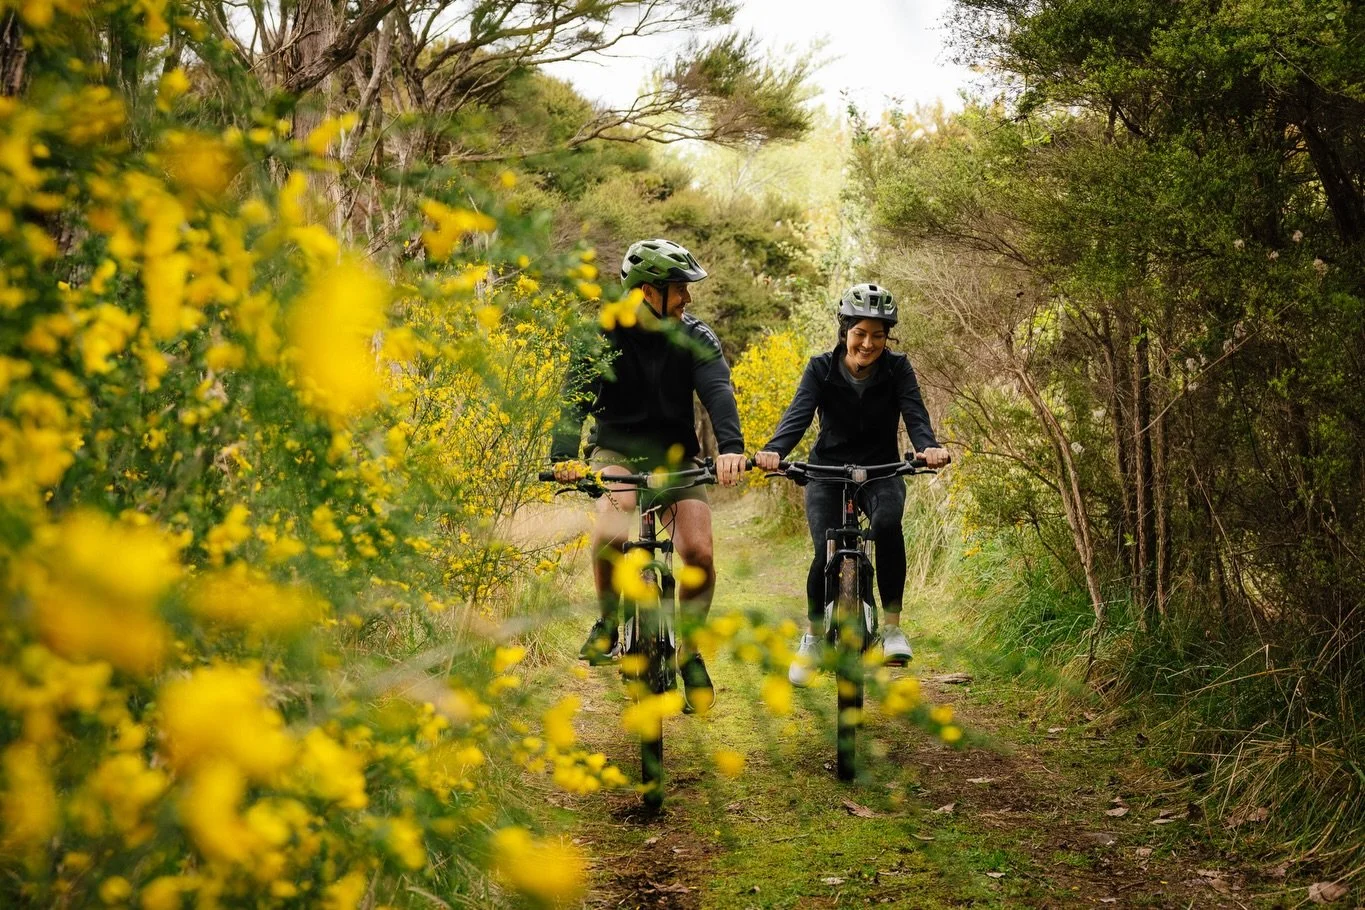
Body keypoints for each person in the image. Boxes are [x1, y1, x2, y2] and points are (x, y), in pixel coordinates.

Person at [549, 238, 747, 713]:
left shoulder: (696, 336)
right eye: (679, 288)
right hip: (616, 448)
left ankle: (690, 654)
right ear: (645, 292)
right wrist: (562, 456)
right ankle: (609, 623)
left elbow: (718, 392)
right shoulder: (599, 335)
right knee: (614, 522)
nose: (688, 299)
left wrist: (732, 449)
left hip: (676, 456)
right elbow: (573, 399)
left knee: (697, 551)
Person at [753, 283, 950, 686]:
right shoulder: (820, 368)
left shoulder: (898, 369)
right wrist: (773, 451)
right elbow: (798, 415)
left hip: (882, 469)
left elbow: (915, 416)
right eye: (860, 333)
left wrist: (928, 448)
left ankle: (892, 628)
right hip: (827, 470)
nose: (868, 343)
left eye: (878, 335)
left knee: (889, 526)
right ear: (845, 331)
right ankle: (811, 638)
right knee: (825, 546)